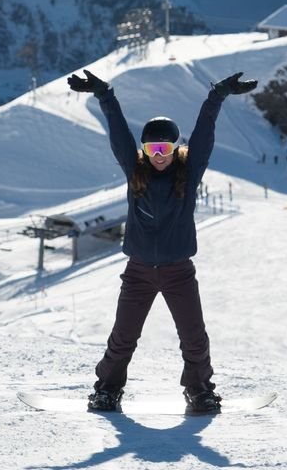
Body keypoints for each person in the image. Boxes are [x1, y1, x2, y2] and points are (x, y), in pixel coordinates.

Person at [67, 65, 257, 413]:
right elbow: (119, 135)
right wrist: (104, 94)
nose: (158, 155)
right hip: (138, 271)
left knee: (194, 340)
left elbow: (204, 134)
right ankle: (107, 389)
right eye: (151, 148)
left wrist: (217, 95)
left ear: (176, 148)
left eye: (164, 148)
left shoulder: (189, 171)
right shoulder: (134, 169)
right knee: (122, 339)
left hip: (178, 271)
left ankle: (199, 390)